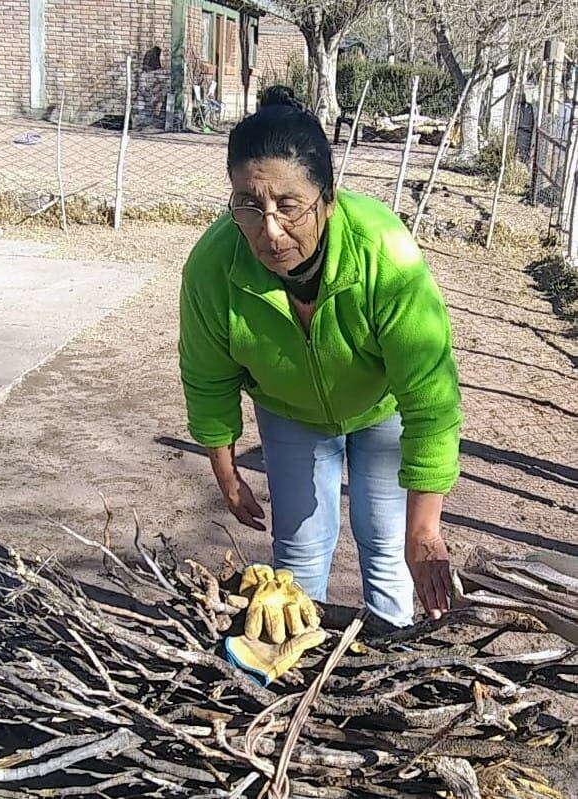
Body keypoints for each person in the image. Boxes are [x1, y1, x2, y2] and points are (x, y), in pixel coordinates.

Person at [179, 85, 462, 629]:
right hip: (290, 412)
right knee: (300, 551)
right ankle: (296, 672)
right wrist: (226, 471)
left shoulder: (385, 253)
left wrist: (425, 532)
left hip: (381, 408)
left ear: (328, 199)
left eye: (288, 205)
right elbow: (207, 377)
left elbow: (431, 398)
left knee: (387, 545)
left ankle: (390, 663)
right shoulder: (213, 268)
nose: (270, 230)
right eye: (248, 206)